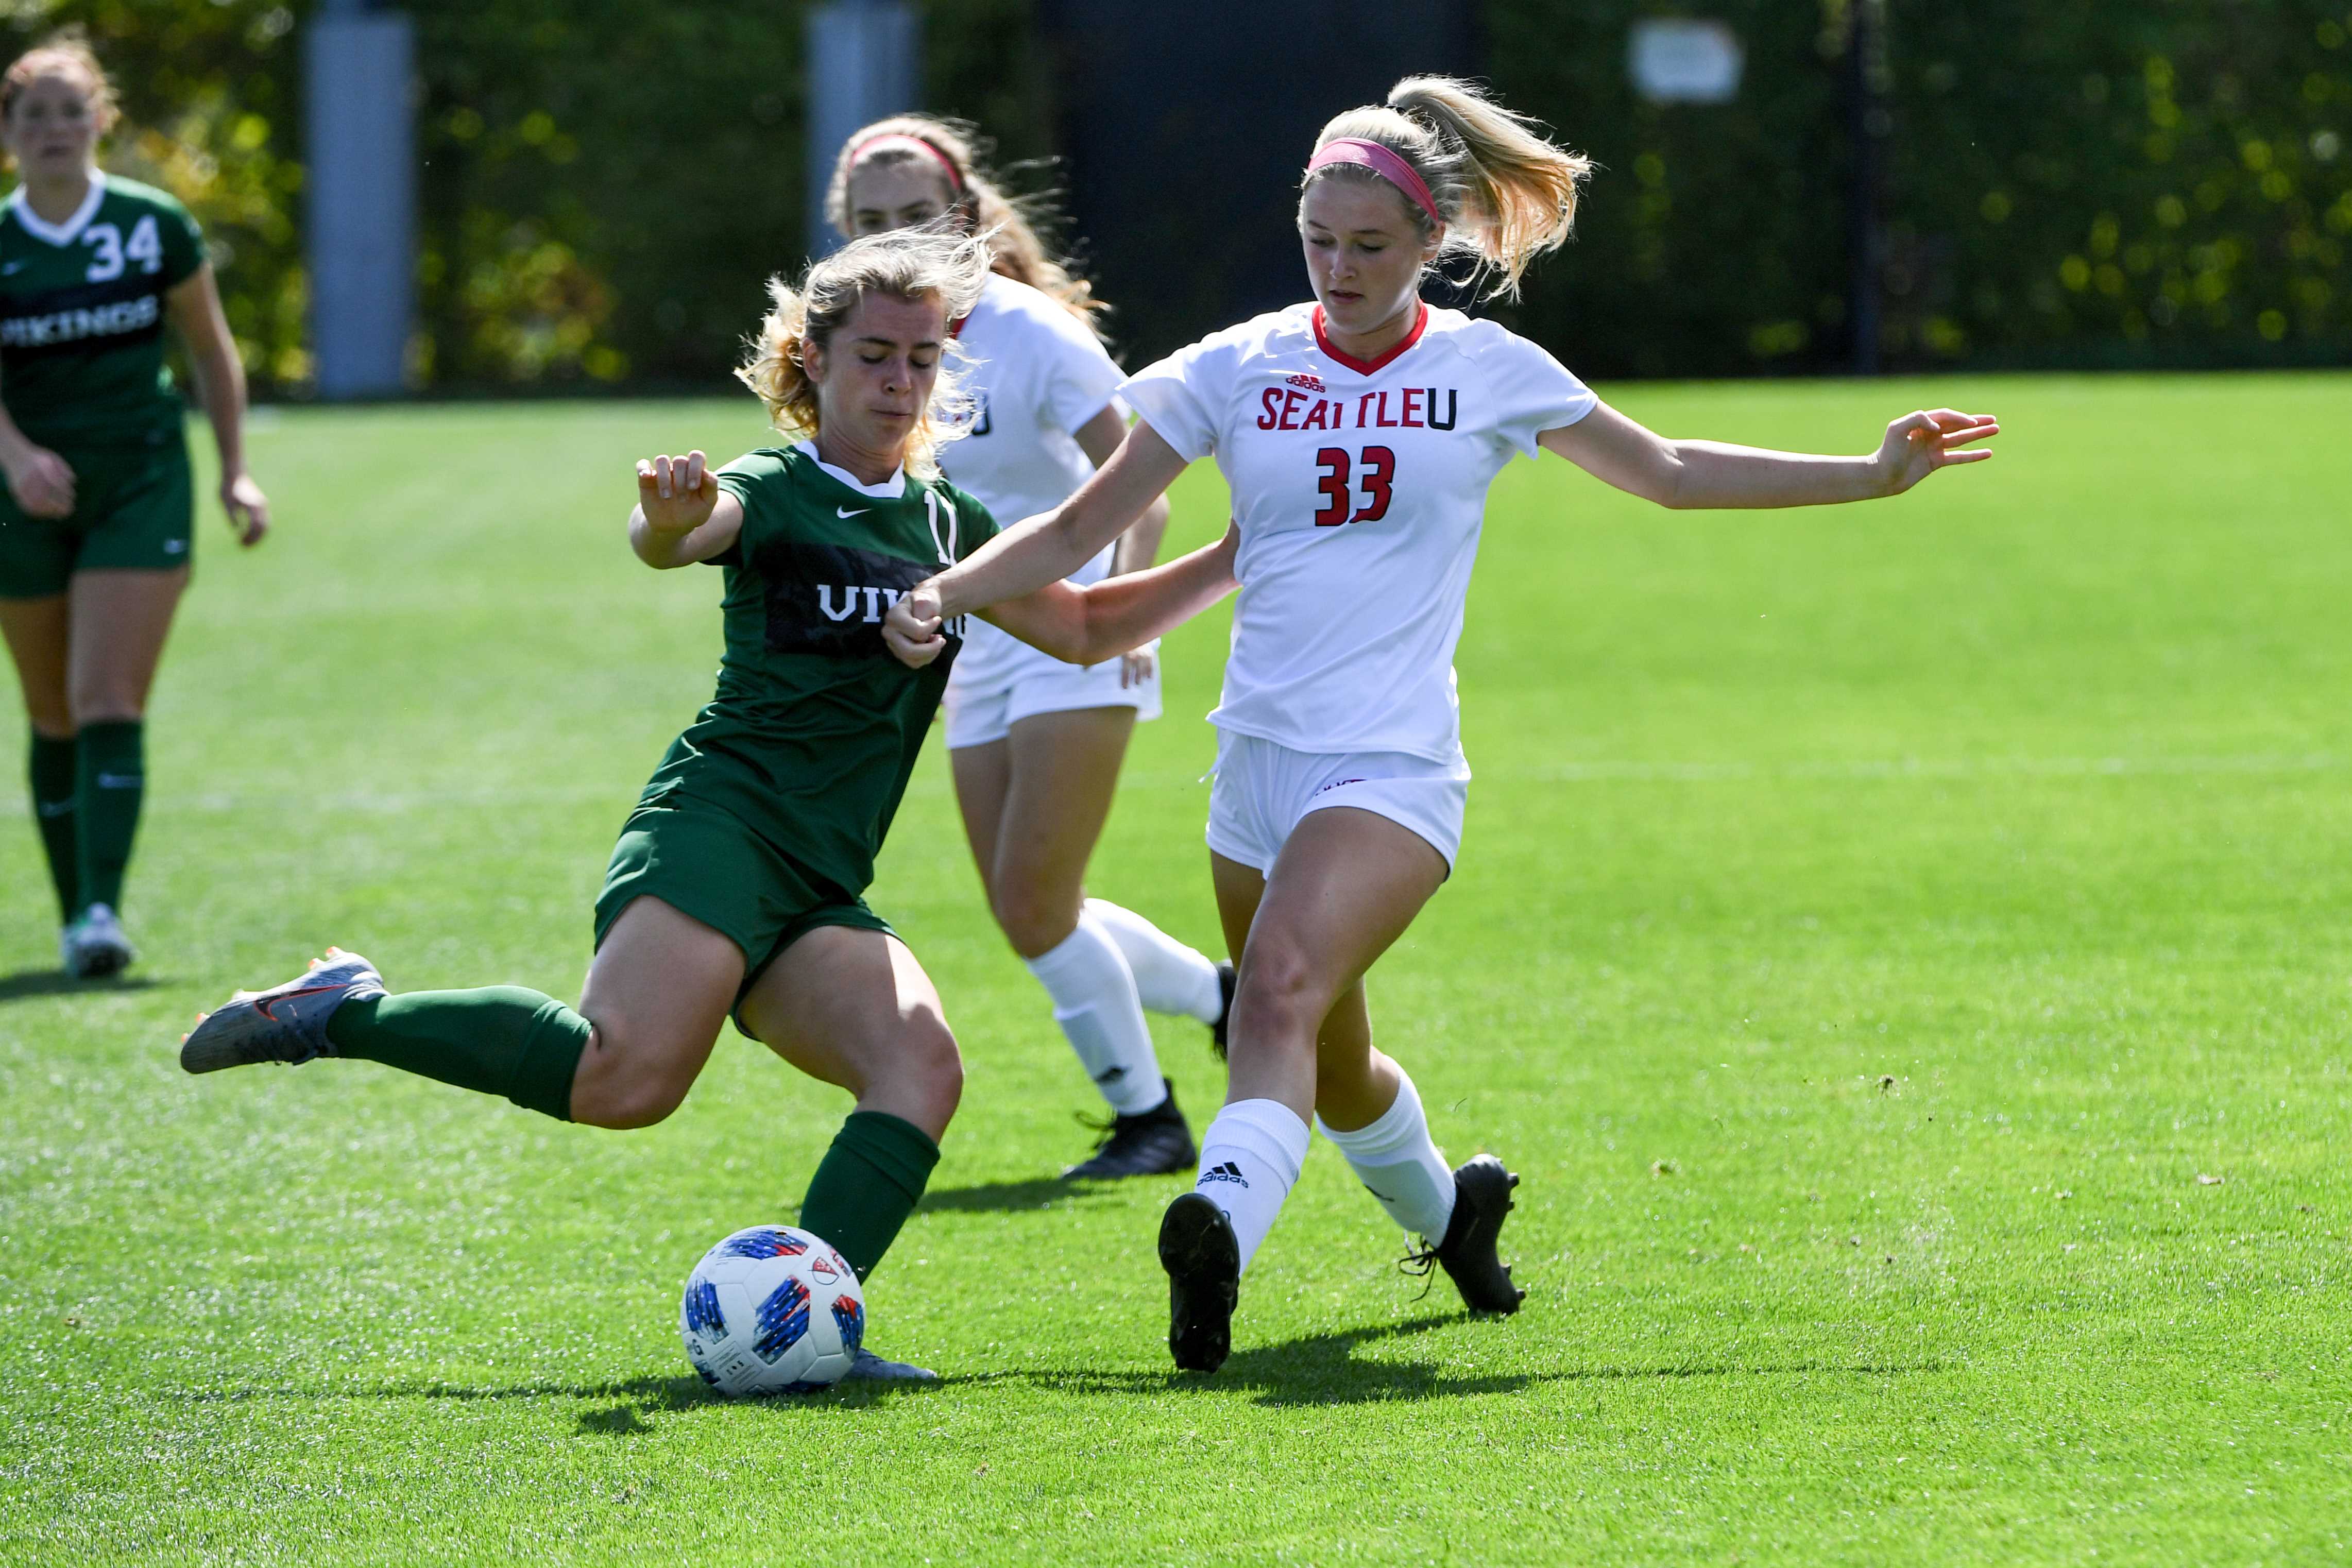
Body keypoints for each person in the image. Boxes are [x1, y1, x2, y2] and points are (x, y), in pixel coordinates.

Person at [884, 76, 2001, 1373]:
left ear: (1433, 246)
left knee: (1278, 994)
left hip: (1394, 771)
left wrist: (1869, 476)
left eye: (1372, 247)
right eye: (1321, 242)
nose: (1343, 269)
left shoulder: (1487, 370)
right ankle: (1452, 1219)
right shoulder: (1231, 368)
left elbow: (1673, 474)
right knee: (1334, 1059)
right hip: (1253, 771)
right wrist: (951, 589)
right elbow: (1080, 531)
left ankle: (1218, 1234)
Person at [177, 229, 1239, 1381]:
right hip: (720, 825)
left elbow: (1085, 629)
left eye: (924, 360)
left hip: (822, 879)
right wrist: (671, 513)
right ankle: (347, 1009)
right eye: (875, 355)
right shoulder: (776, 487)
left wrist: (1245, 550)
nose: (900, 383)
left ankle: (810, 1323)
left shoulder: (948, 524)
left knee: (921, 1067)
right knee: (624, 1082)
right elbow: (676, 535)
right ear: (811, 361)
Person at [830, 116, 1232, 1180]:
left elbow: (1141, 478)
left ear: (959, 220)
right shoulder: (860, 342)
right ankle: (1220, 999)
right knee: (1028, 906)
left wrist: (1118, 608)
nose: (891, 235)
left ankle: (1150, 1122)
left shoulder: (1030, 332)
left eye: (912, 215)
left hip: (1076, 630)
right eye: (868, 222)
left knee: (1037, 903)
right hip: (974, 643)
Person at [0, 32, 269, 978]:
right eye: (34, 115)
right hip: (20, 494)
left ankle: (100, 914)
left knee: (106, 696)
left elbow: (208, 349)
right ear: (9, 132)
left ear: (101, 121)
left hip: (142, 479)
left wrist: (235, 470)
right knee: (50, 713)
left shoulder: (156, 227)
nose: (55, 131)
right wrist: (19, 455)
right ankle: (77, 907)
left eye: (72, 112)